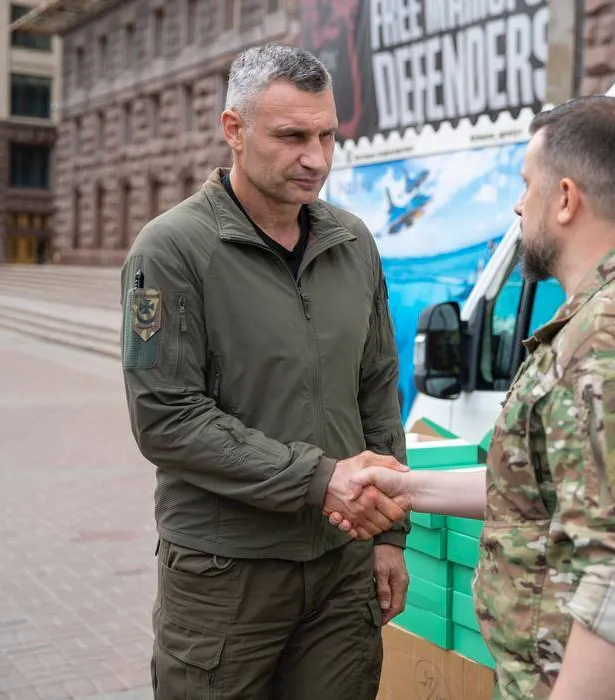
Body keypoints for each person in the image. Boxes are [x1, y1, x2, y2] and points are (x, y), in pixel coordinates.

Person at [330, 95, 615, 699]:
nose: (520, 205)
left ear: (567, 199)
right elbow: (544, 488)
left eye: (528, 185)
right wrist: (403, 487)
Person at [120, 44, 410, 699]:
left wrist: (389, 534)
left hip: (342, 568)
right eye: (291, 136)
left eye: (328, 135)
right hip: (227, 576)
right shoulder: (166, 252)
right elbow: (165, 419)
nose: (316, 158)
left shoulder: (353, 243)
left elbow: (377, 391)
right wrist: (319, 479)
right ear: (234, 129)